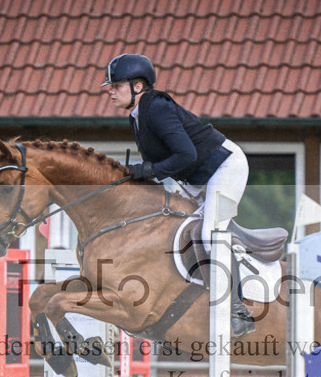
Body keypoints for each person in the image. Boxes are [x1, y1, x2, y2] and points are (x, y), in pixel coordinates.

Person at [102, 53, 255, 338]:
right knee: (167, 228)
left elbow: (187, 154)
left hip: (223, 168)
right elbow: (171, 165)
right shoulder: (136, 116)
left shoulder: (157, 107)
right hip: (195, 178)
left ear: (138, 86)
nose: (110, 91)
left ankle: (238, 309)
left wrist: (147, 169)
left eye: (117, 85)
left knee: (210, 234)